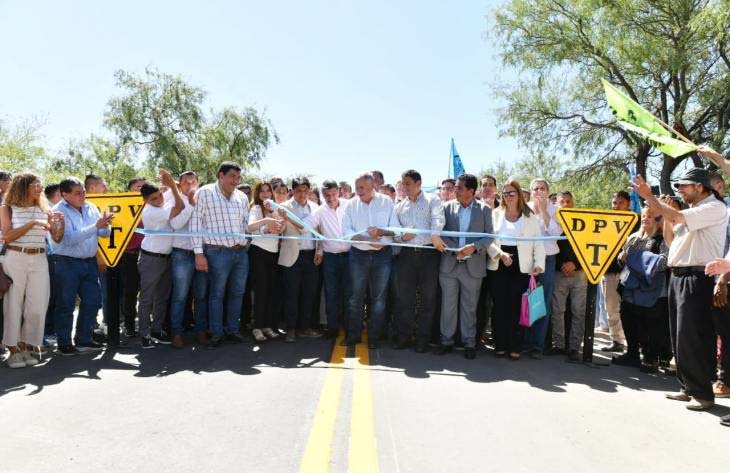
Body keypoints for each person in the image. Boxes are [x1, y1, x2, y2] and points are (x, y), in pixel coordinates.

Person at [634, 168, 726, 411]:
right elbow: (672, 239)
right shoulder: (689, 212)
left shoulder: (714, 207)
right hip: (678, 276)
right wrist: (664, 214)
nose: (680, 191)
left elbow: (679, 219)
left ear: (700, 186)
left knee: (692, 336)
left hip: (697, 277)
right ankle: (688, 386)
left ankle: (703, 393)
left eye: (683, 186)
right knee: (679, 335)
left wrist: (651, 199)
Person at [1, 173, 64, 368]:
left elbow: (57, 238)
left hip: (39, 258)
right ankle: (13, 348)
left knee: (38, 305)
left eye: (40, 184)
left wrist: (59, 224)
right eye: (35, 184)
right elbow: (8, 236)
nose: (40, 187)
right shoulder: (7, 208)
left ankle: (29, 345)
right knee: (13, 305)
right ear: (23, 186)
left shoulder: (45, 209)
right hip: (15, 257)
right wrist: (33, 224)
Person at [432, 173, 494, 359]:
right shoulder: (446, 207)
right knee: (448, 306)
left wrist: (473, 247)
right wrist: (455, 248)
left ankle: (469, 342)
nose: (454, 190)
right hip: (450, 264)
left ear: (471, 191)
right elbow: (439, 233)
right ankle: (446, 341)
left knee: (469, 307)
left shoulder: (484, 210)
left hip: (473, 266)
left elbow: (490, 236)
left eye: (459, 187)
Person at [191, 162, 250, 349]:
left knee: (237, 293)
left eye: (238, 177)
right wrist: (198, 253)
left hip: (240, 253)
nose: (236, 180)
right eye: (232, 176)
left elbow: (246, 224)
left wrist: (251, 238)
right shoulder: (205, 192)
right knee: (216, 294)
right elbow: (195, 223)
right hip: (216, 253)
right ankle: (216, 333)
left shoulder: (242, 197)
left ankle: (232, 330)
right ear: (221, 175)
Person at [51, 177, 113, 355]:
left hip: (89, 261)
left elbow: (103, 234)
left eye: (83, 192)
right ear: (65, 194)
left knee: (93, 300)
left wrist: (105, 226)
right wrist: (96, 226)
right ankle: (64, 342)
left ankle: (83, 338)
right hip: (66, 262)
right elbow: (68, 239)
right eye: (77, 193)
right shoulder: (57, 212)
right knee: (66, 304)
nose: (82, 195)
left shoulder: (91, 207)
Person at [487, 179, 545, 360]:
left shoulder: (530, 216)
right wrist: (500, 254)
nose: (508, 196)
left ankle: (515, 346)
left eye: (512, 193)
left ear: (519, 194)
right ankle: (500, 345)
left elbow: (538, 243)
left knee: (516, 308)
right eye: (505, 193)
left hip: (523, 265)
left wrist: (538, 264)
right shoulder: (495, 214)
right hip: (499, 263)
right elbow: (487, 239)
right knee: (499, 307)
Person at [613, 206, 672, 373]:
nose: (645, 218)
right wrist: (622, 258)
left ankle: (651, 358)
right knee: (629, 321)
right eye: (644, 215)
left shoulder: (662, 240)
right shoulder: (632, 238)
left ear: (658, 220)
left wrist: (634, 258)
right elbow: (623, 261)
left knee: (652, 326)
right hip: (630, 287)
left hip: (653, 290)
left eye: (651, 216)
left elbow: (664, 262)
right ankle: (632, 354)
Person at [341, 172, 397, 348]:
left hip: (383, 256)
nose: (358, 191)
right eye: (356, 187)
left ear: (373, 186)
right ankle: (353, 335)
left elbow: (395, 229)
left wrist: (381, 232)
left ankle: (374, 337)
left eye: (361, 187)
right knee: (355, 297)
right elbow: (346, 233)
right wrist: (366, 240)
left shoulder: (387, 202)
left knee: (379, 299)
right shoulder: (351, 205)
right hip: (358, 256)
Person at [391, 170, 445, 353]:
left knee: (428, 299)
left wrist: (435, 234)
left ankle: (422, 339)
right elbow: (395, 233)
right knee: (404, 299)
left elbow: (438, 219)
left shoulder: (433, 200)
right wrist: (402, 237)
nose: (404, 187)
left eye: (407, 183)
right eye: (402, 183)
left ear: (418, 183)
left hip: (429, 254)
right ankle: (404, 337)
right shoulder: (399, 207)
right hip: (406, 256)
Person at [136, 170, 184, 349]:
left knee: (162, 297)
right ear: (145, 201)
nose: (159, 200)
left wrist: (171, 183)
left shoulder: (161, 204)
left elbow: (175, 191)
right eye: (154, 199)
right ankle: (144, 334)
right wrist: (171, 186)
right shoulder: (151, 212)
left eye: (159, 196)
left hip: (166, 258)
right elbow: (180, 207)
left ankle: (156, 330)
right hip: (151, 259)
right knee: (147, 298)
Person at [278, 176, 322, 342]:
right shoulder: (283, 208)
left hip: (311, 256)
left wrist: (320, 251)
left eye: (305, 190)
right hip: (292, 256)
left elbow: (321, 233)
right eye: (298, 191)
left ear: (309, 191)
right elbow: (279, 229)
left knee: (309, 294)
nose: (302, 194)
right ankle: (291, 329)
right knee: (291, 293)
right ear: (292, 191)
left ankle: (305, 327)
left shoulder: (317, 208)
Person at [167, 171, 208, 348]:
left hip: (203, 253)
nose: (190, 185)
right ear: (179, 184)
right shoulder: (175, 200)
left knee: (201, 295)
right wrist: (190, 206)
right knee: (180, 296)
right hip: (181, 253)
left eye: (193, 182)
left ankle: (201, 331)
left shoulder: (205, 199)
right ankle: (176, 333)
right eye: (186, 182)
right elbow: (175, 224)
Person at [308, 180, 351, 339]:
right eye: (326, 195)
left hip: (350, 258)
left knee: (349, 294)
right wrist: (286, 218)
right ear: (322, 195)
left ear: (339, 192)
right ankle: (332, 328)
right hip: (330, 259)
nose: (331, 198)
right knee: (331, 294)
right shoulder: (318, 212)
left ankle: (349, 328)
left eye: (333, 194)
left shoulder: (350, 205)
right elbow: (304, 226)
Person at [549, 191, 587, 362]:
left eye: (568, 201)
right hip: (559, 273)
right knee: (557, 311)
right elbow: (548, 248)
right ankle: (559, 344)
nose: (565, 204)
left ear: (573, 203)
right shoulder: (552, 223)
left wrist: (576, 264)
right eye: (561, 201)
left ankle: (574, 347)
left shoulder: (584, 222)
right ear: (556, 204)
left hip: (580, 274)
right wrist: (561, 265)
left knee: (578, 311)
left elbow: (589, 248)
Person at [527, 178, 562, 357]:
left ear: (548, 191)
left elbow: (556, 233)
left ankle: (537, 346)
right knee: (525, 300)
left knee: (542, 302)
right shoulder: (524, 208)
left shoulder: (556, 210)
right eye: (535, 189)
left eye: (542, 188)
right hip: (527, 259)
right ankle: (524, 342)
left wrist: (542, 210)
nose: (539, 191)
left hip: (547, 259)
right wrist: (533, 210)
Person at [247, 180, 284, 342]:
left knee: (271, 291)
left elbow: (280, 228)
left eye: (268, 191)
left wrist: (277, 218)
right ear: (257, 194)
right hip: (259, 253)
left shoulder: (275, 208)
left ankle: (267, 326)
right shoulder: (255, 208)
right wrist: (266, 222)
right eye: (262, 191)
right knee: (261, 291)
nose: (265, 194)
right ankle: (257, 327)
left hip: (274, 253)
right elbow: (250, 227)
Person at [600, 191, 631, 353]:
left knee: (631, 310)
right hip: (610, 273)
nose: (616, 206)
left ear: (628, 204)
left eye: (620, 203)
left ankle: (634, 344)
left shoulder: (636, 223)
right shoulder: (605, 222)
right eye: (614, 203)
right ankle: (617, 341)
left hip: (631, 274)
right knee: (611, 308)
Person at [119, 177, 147, 337]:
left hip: (149, 255)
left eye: (144, 187)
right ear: (130, 190)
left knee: (148, 292)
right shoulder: (123, 208)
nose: (142, 189)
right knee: (130, 292)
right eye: (138, 186)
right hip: (129, 256)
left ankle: (145, 323)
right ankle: (129, 325)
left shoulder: (152, 206)